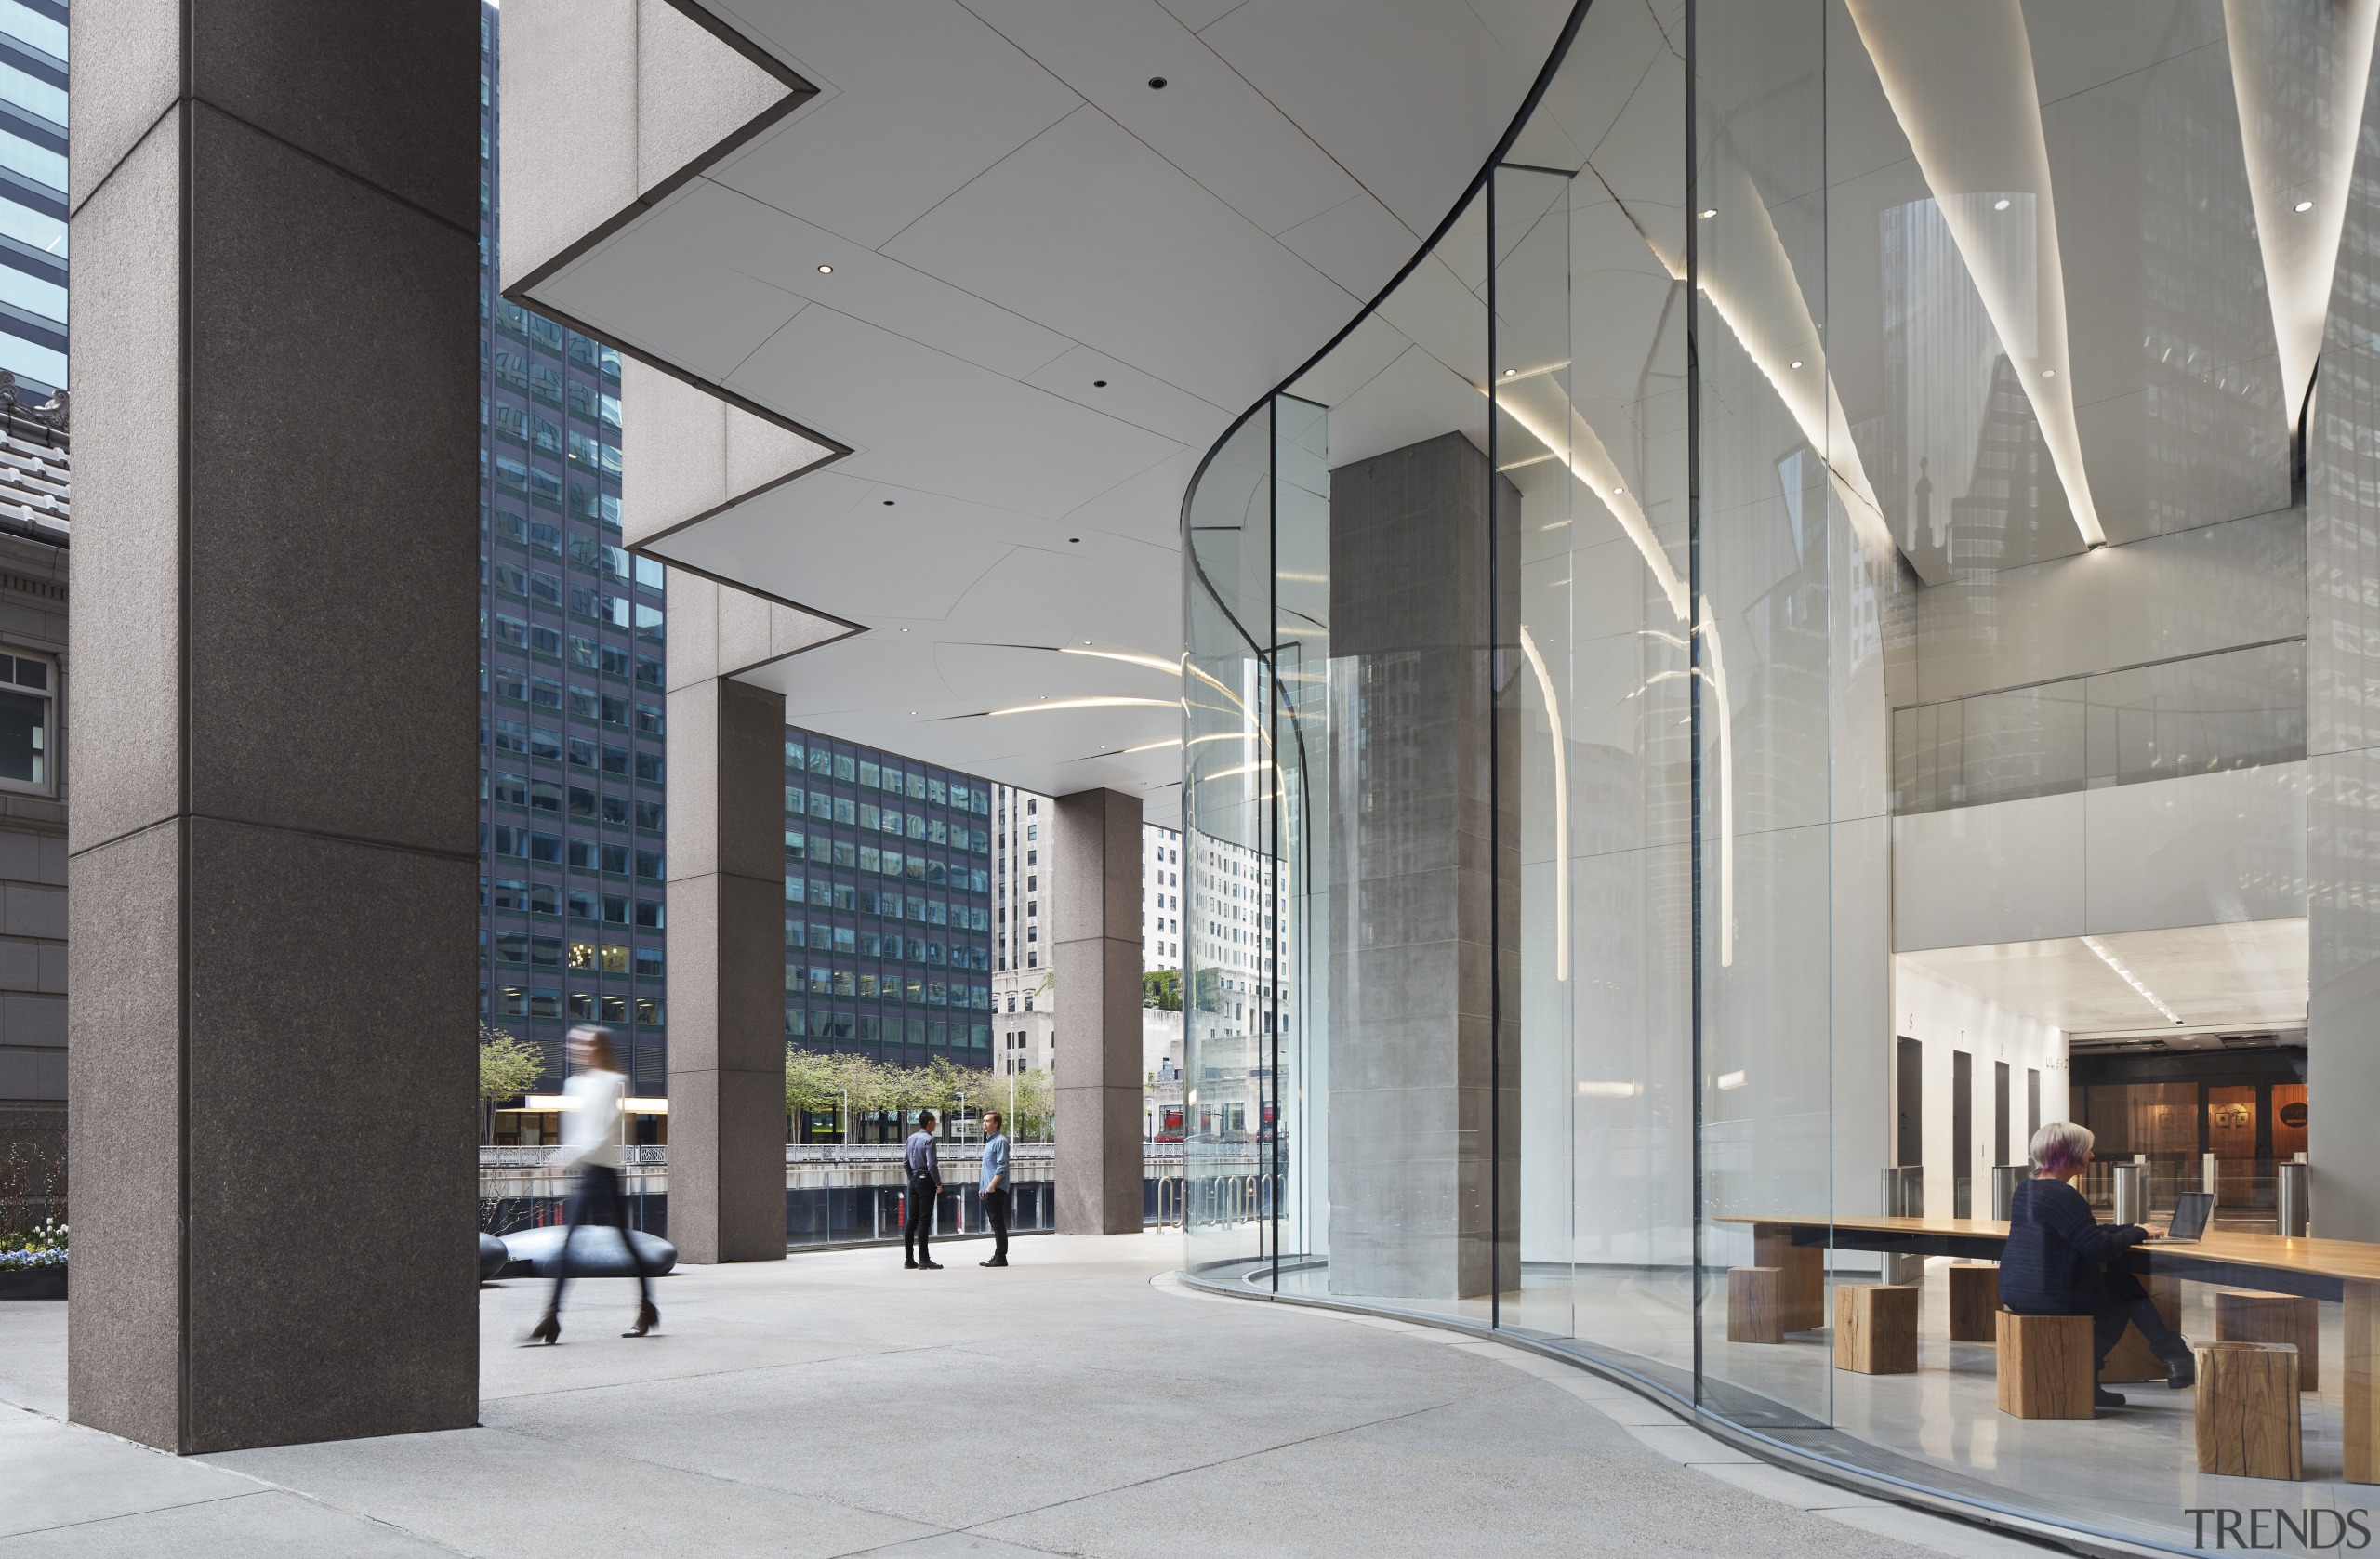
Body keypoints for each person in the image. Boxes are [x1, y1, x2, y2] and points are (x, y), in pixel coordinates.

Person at [1999, 1120, 2192, 1407]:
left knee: (2122, 1282)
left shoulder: (2029, 1188)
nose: (2092, 1155)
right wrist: (2137, 1233)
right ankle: (2090, 1378)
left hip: (2019, 1288)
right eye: (2087, 1149)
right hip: (2050, 1294)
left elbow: (2078, 1231)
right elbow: (2098, 1248)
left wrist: (2128, 1228)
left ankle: (2174, 1357)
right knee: (2119, 1304)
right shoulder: (2062, 1194)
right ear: (2069, 1153)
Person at [526, 1024, 656, 1344]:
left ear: (598, 1047)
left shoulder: (615, 1082)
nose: (576, 1048)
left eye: (583, 1043)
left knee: (622, 1244)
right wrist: (563, 1156)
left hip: (605, 1174)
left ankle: (645, 1307)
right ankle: (552, 1315)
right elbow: (576, 1133)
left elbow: (600, 1134)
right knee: (569, 1245)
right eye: (573, 1042)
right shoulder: (574, 1084)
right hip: (586, 1173)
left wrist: (563, 1159)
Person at [903, 1110, 943, 1270]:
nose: (935, 1124)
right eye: (934, 1121)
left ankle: (909, 1259)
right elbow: (931, 1165)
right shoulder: (929, 1140)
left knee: (912, 1220)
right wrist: (938, 1183)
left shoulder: (911, 1138)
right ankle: (924, 1259)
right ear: (929, 1123)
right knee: (924, 1220)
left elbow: (905, 1162)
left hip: (914, 1181)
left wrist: (912, 1177)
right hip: (926, 1181)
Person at [979, 1110, 1012, 1268]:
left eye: (988, 1121)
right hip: (988, 1188)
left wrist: (991, 1186)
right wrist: (982, 1186)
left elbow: (1002, 1167)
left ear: (996, 1123)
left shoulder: (1000, 1142)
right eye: (984, 1121)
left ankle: (1001, 1257)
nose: (984, 1124)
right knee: (995, 1222)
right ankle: (998, 1255)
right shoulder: (990, 1141)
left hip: (995, 1189)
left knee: (997, 1223)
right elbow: (985, 1167)